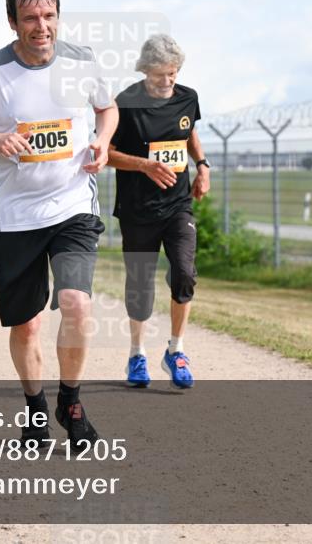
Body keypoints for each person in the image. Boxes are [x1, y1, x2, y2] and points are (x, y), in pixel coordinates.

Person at [0, 0, 117, 447]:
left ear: (58, 16)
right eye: (30, 18)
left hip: (73, 206)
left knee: (77, 304)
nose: (41, 27)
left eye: (48, 16)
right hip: (16, 216)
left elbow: (108, 108)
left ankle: (73, 402)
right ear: (12, 22)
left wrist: (101, 141)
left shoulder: (81, 62)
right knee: (27, 323)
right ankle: (36, 406)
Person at [107, 34, 210, 389]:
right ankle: (137, 354)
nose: (168, 81)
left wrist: (203, 166)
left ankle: (177, 350)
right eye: (160, 74)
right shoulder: (125, 103)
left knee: (184, 272)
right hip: (137, 209)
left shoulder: (187, 97)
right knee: (140, 287)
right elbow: (105, 153)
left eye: (173, 73)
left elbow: (189, 134)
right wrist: (144, 165)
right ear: (145, 70)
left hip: (177, 205)